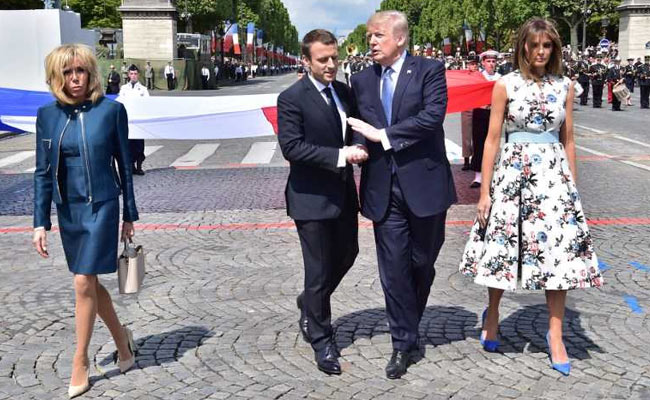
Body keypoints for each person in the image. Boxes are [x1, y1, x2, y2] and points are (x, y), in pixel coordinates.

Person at [459, 18, 603, 377]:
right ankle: (492, 312)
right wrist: (485, 192)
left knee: (560, 256)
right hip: (512, 175)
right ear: (523, 46)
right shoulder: (505, 85)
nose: (541, 52)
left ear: (554, 49)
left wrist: (573, 187)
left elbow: (568, 139)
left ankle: (556, 334)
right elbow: (491, 140)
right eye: (535, 45)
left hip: (553, 180)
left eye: (548, 46)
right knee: (503, 249)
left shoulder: (565, 86)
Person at [347, 10, 456, 379]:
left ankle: (408, 325)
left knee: (421, 263)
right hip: (382, 187)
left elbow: (432, 117)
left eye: (377, 36)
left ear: (400, 38)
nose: (371, 42)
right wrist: (360, 144)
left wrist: (384, 137)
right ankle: (403, 343)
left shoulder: (429, 71)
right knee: (393, 271)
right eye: (369, 37)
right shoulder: (361, 79)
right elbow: (358, 123)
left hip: (425, 185)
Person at [32, 44, 139, 398]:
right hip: (69, 210)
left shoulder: (111, 111)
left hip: (102, 205)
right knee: (88, 281)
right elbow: (42, 173)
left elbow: (125, 165)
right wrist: (39, 222)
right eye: (66, 72)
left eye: (80, 70)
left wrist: (129, 215)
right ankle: (122, 342)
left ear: (91, 73)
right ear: (55, 77)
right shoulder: (47, 115)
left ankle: (80, 359)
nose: (74, 78)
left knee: (82, 281)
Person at [277, 29, 366, 376]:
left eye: (334, 58)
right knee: (317, 271)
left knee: (348, 254)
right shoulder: (291, 98)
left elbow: (356, 125)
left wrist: (359, 142)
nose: (331, 65)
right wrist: (342, 155)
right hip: (310, 197)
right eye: (323, 60)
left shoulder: (344, 91)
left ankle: (309, 304)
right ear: (306, 61)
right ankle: (322, 339)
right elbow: (292, 147)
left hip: (343, 194)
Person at [470, 50, 501, 188]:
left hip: (494, 113)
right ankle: (478, 176)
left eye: (493, 61)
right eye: (488, 61)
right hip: (480, 112)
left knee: (493, 143)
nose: (491, 64)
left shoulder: (500, 78)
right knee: (479, 143)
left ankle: (491, 174)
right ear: (483, 63)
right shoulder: (478, 77)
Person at [119, 64, 149, 175]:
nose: (133, 76)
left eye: (135, 74)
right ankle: (131, 166)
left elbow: (147, 104)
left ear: (138, 75)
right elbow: (120, 104)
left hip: (139, 121)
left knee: (139, 145)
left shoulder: (143, 89)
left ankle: (139, 166)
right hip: (128, 121)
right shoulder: (124, 89)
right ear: (128, 75)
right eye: (131, 74)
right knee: (128, 144)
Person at [461, 54, 479, 170]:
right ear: (468, 65)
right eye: (472, 64)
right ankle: (466, 160)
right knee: (466, 136)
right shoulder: (464, 76)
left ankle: (475, 159)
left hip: (478, 107)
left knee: (477, 135)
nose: (474, 66)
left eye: (475, 64)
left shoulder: (480, 76)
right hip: (467, 107)